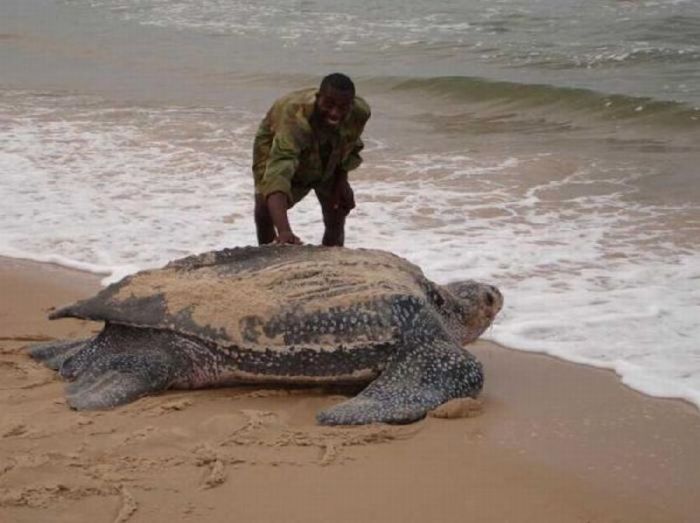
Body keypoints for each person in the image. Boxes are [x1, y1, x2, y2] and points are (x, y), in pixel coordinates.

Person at [252, 73, 371, 246]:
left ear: (351, 105)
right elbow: (278, 172)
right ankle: (267, 256)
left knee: (337, 207)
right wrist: (285, 232)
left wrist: (341, 182)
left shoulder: (360, 113)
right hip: (276, 140)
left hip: (327, 145)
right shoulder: (294, 116)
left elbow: (347, 147)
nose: (335, 113)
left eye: (342, 107)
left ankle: (332, 258)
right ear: (317, 98)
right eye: (328, 104)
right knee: (265, 207)